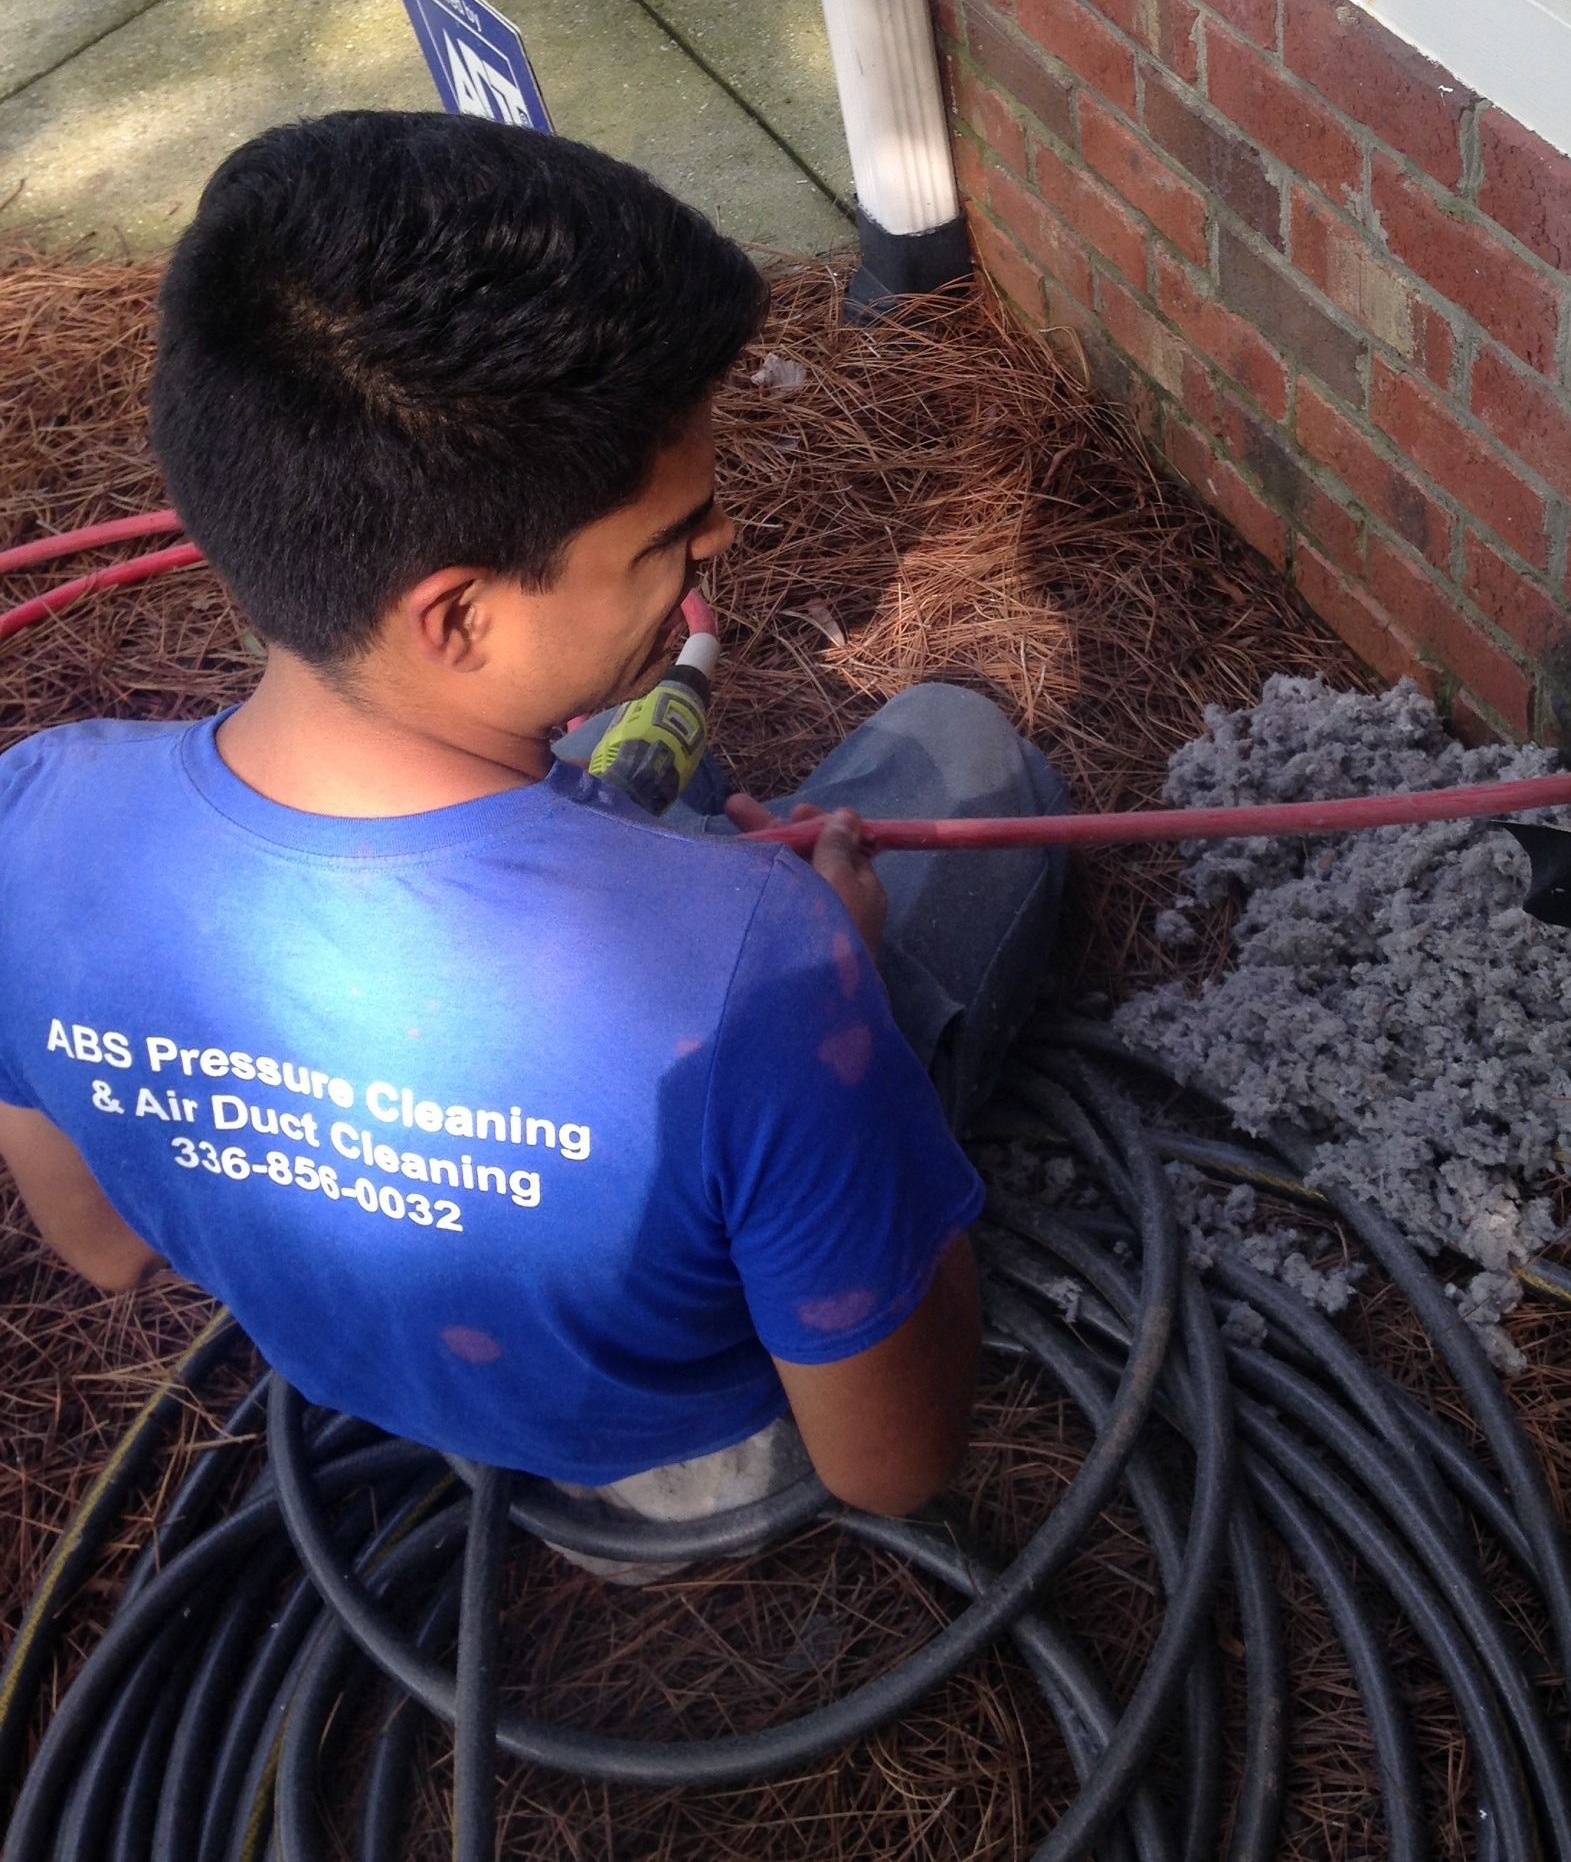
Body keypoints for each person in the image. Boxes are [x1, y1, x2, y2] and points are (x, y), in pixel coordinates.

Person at [0, 111, 1066, 1546]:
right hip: (702, 1449)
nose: (719, 548)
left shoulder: (34, 821)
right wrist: (846, 1000)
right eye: (668, 538)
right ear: (457, 616)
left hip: (383, 1379)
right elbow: (894, 1467)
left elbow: (104, 1241)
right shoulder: (763, 971)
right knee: (963, 747)